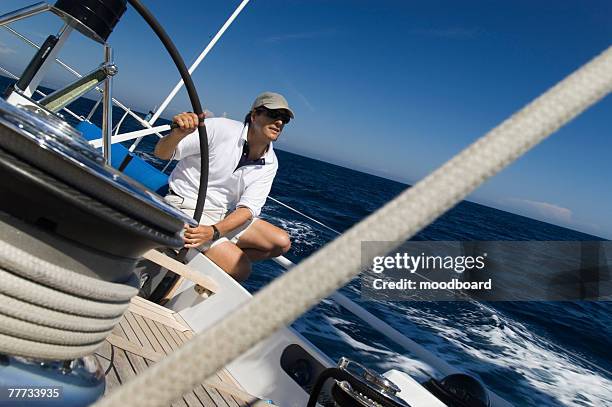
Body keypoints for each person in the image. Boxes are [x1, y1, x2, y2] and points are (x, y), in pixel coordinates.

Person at [154, 92, 293, 281]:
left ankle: (207, 254)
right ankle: (210, 257)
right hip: (185, 206)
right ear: (254, 116)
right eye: (273, 114)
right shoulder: (220, 128)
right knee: (241, 268)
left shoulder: (271, 162)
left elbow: (248, 209)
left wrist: (214, 231)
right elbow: (161, 153)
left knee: (281, 243)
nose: (279, 122)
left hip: (221, 214)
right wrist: (177, 134)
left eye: (284, 119)